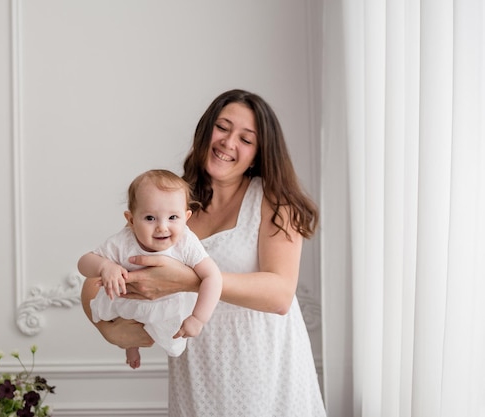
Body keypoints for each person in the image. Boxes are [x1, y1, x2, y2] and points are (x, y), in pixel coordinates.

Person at [81, 89, 326, 416]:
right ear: (205, 130)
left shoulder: (274, 201)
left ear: (258, 153)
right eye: (222, 127)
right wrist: (107, 329)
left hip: (267, 368)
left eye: (246, 138)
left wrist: (189, 281)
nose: (228, 142)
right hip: (197, 370)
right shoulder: (170, 202)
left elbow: (280, 294)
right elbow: (103, 268)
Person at [78, 169, 222, 369]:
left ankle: (139, 342)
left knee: (173, 342)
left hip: (169, 307)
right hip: (127, 304)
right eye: (150, 218)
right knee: (119, 322)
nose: (162, 227)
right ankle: (131, 346)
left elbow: (213, 277)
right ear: (131, 220)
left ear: (186, 216)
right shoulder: (124, 240)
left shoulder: (186, 242)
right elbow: (84, 263)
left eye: (173, 217)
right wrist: (105, 266)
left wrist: (198, 318)